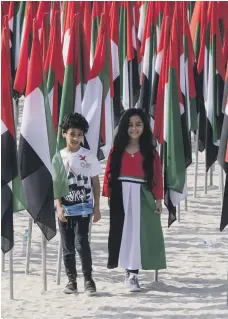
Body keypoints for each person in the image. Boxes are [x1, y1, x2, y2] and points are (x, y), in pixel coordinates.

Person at [103, 108, 166, 292]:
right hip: (121, 195)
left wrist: (158, 199)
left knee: (140, 234)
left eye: (138, 124)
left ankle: (134, 273)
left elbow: (157, 176)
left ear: (144, 126)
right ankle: (128, 271)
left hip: (142, 195)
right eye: (130, 125)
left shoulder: (151, 153)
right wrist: (108, 194)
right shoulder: (117, 150)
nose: (134, 129)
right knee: (123, 234)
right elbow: (108, 173)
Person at [55, 113, 101, 295]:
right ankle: (71, 281)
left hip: (83, 209)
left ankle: (88, 279)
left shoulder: (88, 156)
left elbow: (95, 182)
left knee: (81, 243)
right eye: (72, 133)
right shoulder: (58, 157)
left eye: (80, 134)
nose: (76, 138)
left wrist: (96, 207)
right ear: (64, 134)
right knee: (67, 247)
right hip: (65, 210)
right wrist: (59, 207)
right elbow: (57, 185)